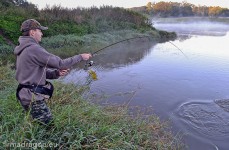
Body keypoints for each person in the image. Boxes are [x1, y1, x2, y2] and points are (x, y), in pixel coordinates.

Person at [14, 19, 92, 125]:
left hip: (25, 94)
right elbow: (61, 64)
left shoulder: (23, 48)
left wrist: (56, 73)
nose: (42, 33)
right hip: (32, 97)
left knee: (36, 124)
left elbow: (34, 71)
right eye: (40, 30)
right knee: (48, 128)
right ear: (32, 32)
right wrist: (81, 57)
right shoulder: (33, 49)